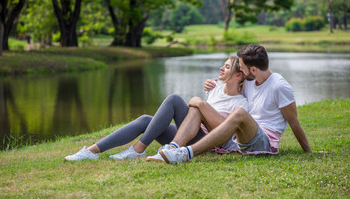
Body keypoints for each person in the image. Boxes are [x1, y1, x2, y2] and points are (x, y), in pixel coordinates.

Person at [64, 56, 248, 161]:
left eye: (226, 67)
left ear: (239, 75)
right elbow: (195, 115)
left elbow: (225, 133)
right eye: (222, 65)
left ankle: (138, 149)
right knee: (146, 119)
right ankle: (91, 151)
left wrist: (200, 104)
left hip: (206, 142)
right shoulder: (214, 88)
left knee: (175, 99)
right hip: (191, 132)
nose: (220, 68)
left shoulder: (240, 103)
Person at [159, 44, 313, 164]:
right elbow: (230, 83)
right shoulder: (250, 81)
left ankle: (186, 153)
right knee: (201, 107)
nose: (240, 70)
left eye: (242, 67)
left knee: (239, 112)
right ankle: (174, 147)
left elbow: (294, 122)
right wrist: (211, 84)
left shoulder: (279, 86)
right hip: (241, 138)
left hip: (263, 141)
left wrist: (308, 152)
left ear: (253, 69)